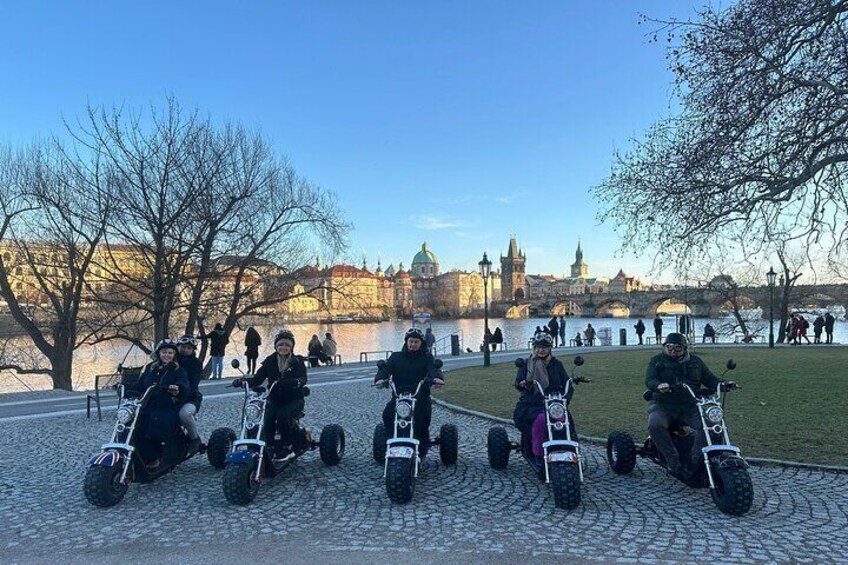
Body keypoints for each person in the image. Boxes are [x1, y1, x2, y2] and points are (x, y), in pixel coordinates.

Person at [645, 333, 734, 478]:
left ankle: (695, 458)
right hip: (664, 404)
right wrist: (658, 385)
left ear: (685, 348)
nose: (672, 351)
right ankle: (672, 459)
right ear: (664, 347)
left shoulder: (696, 362)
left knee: (711, 426)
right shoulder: (656, 361)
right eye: (669, 347)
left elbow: (710, 379)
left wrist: (723, 385)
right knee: (655, 424)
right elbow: (650, 379)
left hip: (690, 406)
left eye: (677, 348)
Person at [374, 327, 444, 458]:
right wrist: (380, 379)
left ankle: (421, 446)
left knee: (422, 419)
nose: (413, 344)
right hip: (399, 397)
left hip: (420, 397)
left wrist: (437, 378)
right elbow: (385, 370)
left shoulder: (427, 357)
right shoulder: (396, 357)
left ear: (421, 343)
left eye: (416, 342)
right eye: (411, 341)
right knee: (388, 414)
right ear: (406, 342)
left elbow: (433, 369)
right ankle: (390, 440)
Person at [240, 330, 308, 461]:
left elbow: (303, 378)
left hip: (294, 399)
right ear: (276, 346)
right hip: (275, 399)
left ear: (291, 347)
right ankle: (270, 446)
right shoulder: (270, 361)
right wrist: (243, 381)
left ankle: (287, 447)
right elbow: (258, 378)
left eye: (287, 345)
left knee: (282, 416)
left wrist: (296, 382)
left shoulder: (297, 361)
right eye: (280, 345)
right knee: (268, 419)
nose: (283, 347)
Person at [127, 339, 189, 470]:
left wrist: (177, 388)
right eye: (164, 352)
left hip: (167, 406)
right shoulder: (151, 368)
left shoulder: (178, 370)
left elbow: (184, 385)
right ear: (158, 353)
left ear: (174, 354)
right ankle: (138, 456)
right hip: (148, 406)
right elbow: (140, 384)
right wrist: (124, 387)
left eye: (170, 353)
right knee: (134, 427)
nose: (167, 355)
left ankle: (156, 457)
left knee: (155, 428)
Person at [512, 332, 575, 460]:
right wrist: (522, 384)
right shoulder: (526, 363)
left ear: (550, 348)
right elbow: (518, 383)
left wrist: (564, 400)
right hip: (531, 403)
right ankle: (538, 453)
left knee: (565, 421)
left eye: (545, 347)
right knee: (541, 420)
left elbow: (567, 383)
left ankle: (571, 450)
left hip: (553, 403)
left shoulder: (556, 364)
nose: (541, 350)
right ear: (534, 348)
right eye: (539, 347)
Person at [176, 335, 204, 454]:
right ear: (178, 347)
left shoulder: (196, 364)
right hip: (169, 396)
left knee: (184, 414)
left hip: (191, 397)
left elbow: (193, 384)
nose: (185, 350)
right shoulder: (171, 359)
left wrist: (180, 394)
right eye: (183, 347)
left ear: (193, 350)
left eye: (189, 348)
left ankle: (194, 439)